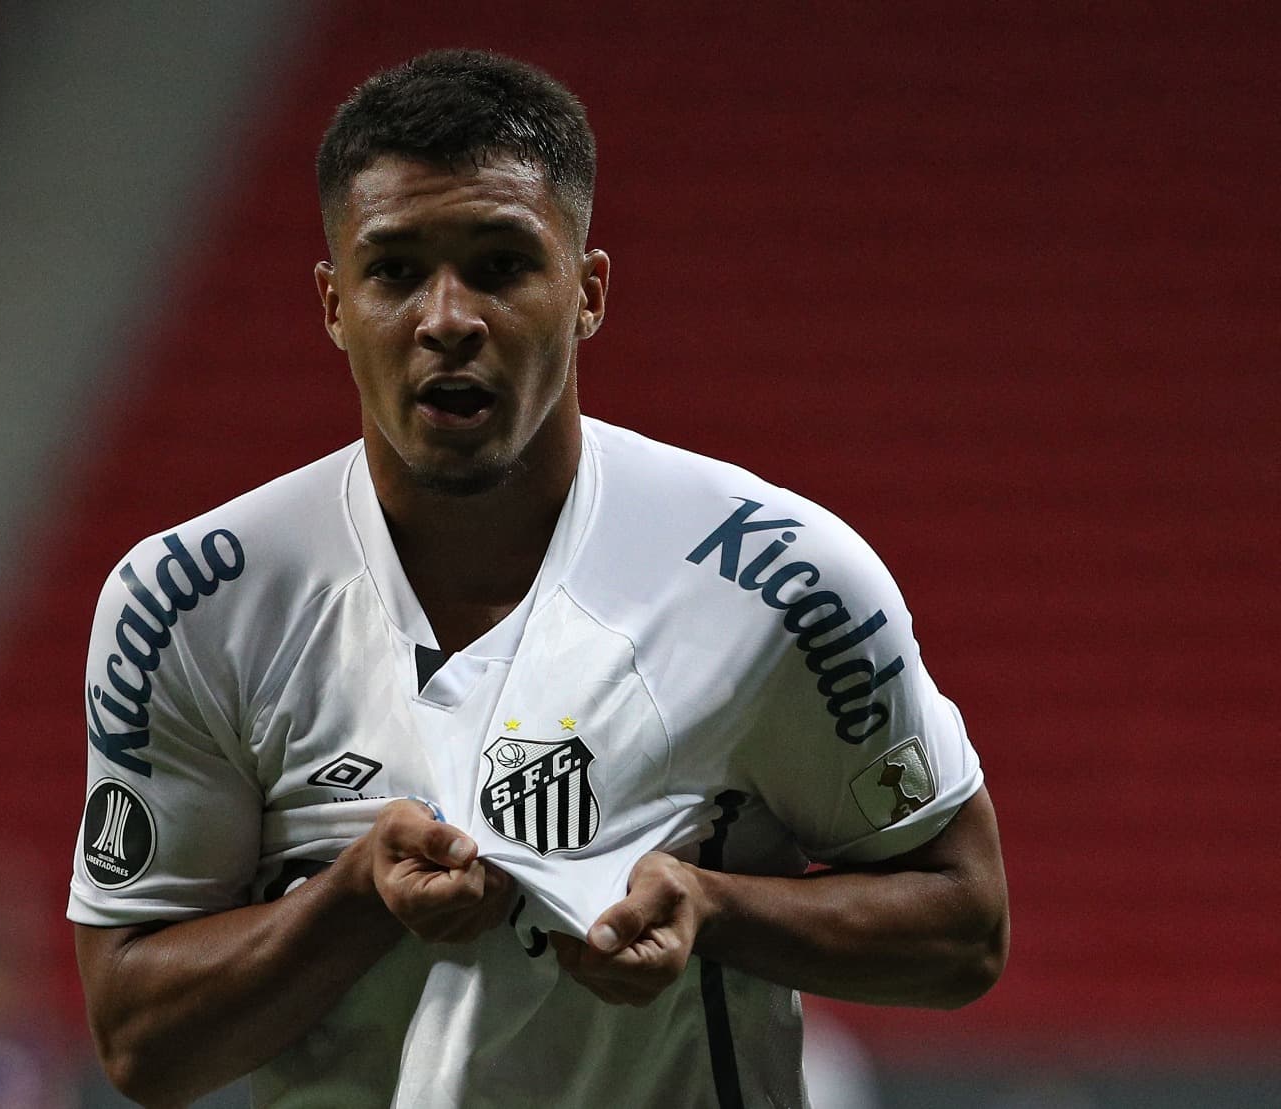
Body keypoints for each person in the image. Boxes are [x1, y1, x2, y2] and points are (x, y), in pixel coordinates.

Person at [70, 49, 1009, 1109]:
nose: (446, 317)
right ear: (333, 304)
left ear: (588, 290)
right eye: (393, 271)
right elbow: (142, 1044)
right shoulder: (192, 602)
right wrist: (355, 896)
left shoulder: (783, 576)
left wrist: (716, 907)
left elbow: (963, 926)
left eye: (501, 264)